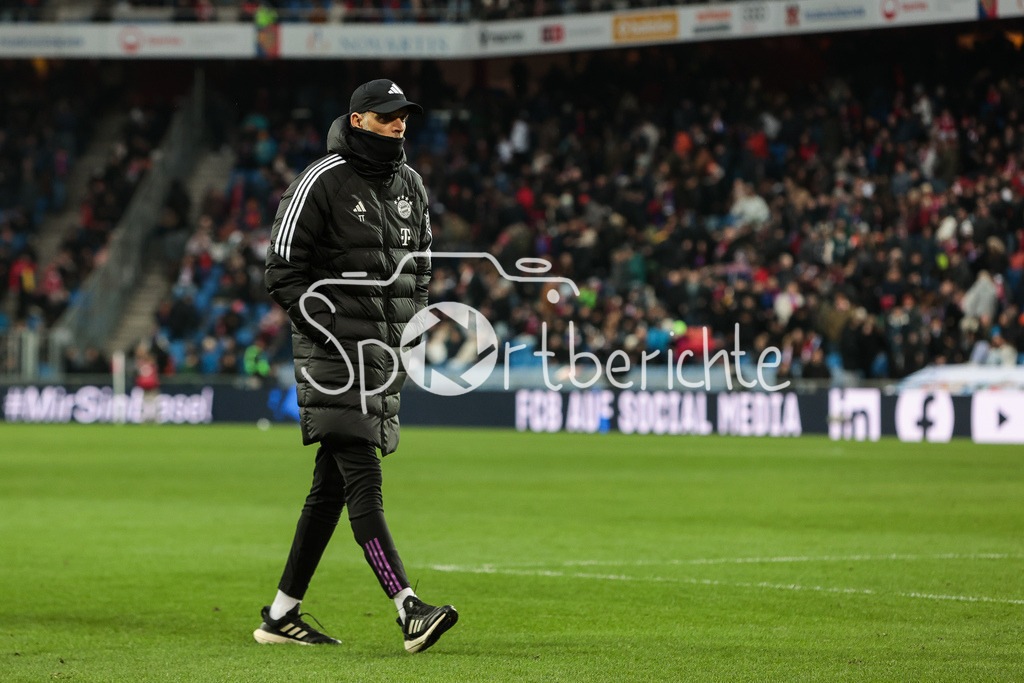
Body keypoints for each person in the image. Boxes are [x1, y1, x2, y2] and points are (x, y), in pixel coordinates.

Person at [256, 79, 456, 652]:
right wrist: (328, 329)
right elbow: (281, 271)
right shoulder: (320, 180)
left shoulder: (411, 185)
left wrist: (410, 331)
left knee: (329, 491)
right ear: (360, 120)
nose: (400, 124)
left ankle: (280, 614)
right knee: (364, 477)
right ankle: (408, 607)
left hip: (384, 355)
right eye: (388, 115)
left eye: (404, 116)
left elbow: (420, 268)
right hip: (335, 358)